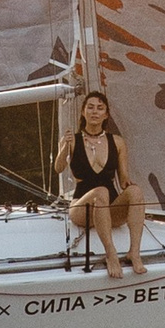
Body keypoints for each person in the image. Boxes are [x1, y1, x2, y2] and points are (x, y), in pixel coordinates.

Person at [55, 87, 145, 279]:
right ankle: (111, 254)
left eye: (99, 108)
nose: (94, 111)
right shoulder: (72, 140)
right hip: (83, 207)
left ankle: (134, 252)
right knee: (101, 191)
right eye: (90, 107)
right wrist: (64, 148)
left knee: (136, 191)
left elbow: (123, 178)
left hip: (110, 208)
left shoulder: (117, 142)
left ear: (106, 115)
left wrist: (129, 186)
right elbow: (58, 168)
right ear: (83, 112)